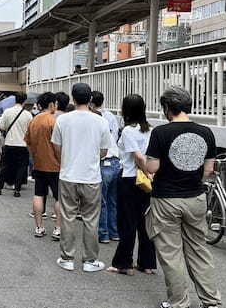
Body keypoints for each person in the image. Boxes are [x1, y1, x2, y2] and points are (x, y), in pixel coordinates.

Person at [145, 86, 220, 308]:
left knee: (171, 253)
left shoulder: (160, 133)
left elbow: (152, 166)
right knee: (199, 250)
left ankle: (179, 302)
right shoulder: (206, 132)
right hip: (195, 198)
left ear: (168, 108)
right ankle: (211, 300)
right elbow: (208, 170)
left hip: (166, 199)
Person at [51, 83, 112, 272]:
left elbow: (56, 147)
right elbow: (104, 151)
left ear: (73, 98)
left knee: (68, 216)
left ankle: (67, 258)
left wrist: (68, 158)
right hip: (92, 176)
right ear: (91, 99)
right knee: (91, 219)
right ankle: (90, 260)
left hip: (68, 174)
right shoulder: (101, 121)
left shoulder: (63, 120)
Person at [106, 94, 156, 276]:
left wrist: (146, 172)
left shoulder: (128, 131)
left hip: (130, 179)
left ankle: (123, 264)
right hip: (147, 183)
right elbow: (149, 155)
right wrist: (151, 175)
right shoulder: (150, 129)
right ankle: (148, 263)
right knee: (145, 222)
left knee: (127, 222)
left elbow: (138, 156)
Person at [25, 92, 61, 240]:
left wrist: (34, 155)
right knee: (59, 197)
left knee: (39, 194)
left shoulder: (33, 121)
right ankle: (58, 228)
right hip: (55, 165)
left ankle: (39, 227)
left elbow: (28, 142)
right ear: (52, 104)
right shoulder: (53, 122)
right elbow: (58, 144)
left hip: (38, 164)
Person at [90, 91, 121, 244]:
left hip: (104, 164)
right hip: (116, 163)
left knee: (101, 202)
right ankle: (114, 232)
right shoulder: (109, 119)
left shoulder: (95, 127)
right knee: (113, 200)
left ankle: (103, 234)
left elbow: (99, 151)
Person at [0, 92, 33, 198]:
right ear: (25, 101)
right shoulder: (28, 115)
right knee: (21, 167)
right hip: (23, 145)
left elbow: (1, 126)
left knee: (4, 166)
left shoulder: (7, 112)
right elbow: (30, 130)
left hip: (9, 143)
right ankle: (17, 190)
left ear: (15, 100)